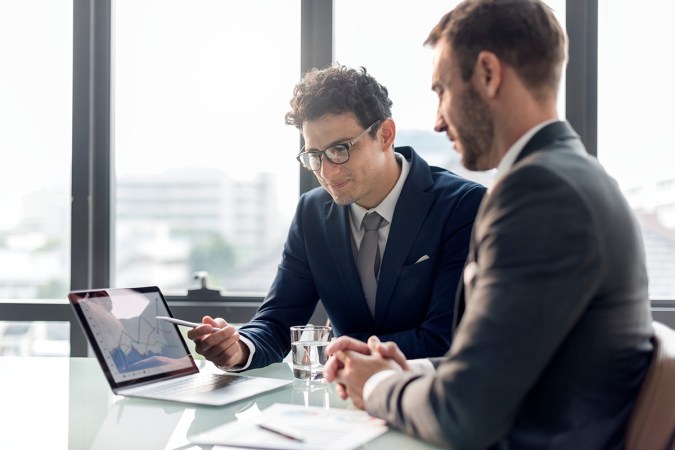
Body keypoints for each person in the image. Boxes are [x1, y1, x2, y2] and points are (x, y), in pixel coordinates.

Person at [324, 1, 655, 448]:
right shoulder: (569, 176)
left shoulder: (541, 193)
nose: (438, 121)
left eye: (441, 90)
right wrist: (407, 370)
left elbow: (463, 415)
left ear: (488, 74)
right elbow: (508, 364)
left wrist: (375, 387)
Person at [187, 65, 486, 371]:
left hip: (429, 399)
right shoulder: (311, 213)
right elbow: (277, 321)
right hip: (341, 402)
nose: (328, 172)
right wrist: (238, 347)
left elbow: (445, 339)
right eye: (315, 155)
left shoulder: (462, 206)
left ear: (385, 134)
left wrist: (345, 355)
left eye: (340, 149)